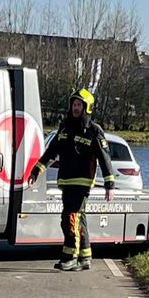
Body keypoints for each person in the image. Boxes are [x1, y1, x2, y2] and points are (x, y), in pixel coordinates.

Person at [28, 88, 114, 270]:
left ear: (86, 108)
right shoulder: (65, 128)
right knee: (78, 218)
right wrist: (36, 171)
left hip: (82, 182)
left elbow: (104, 158)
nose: (75, 108)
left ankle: (69, 257)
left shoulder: (93, 131)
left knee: (70, 218)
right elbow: (51, 152)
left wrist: (109, 184)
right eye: (74, 104)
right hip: (66, 181)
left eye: (79, 105)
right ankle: (85, 257)